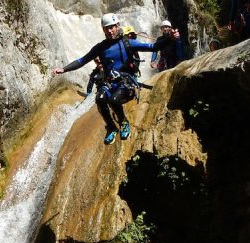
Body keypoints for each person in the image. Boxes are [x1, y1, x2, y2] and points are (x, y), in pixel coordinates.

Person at [52, 13, 180, 145]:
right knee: (100, 98)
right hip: (110, 83)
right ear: (103, 30)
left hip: (126, 84)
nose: (110, 30)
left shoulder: (128, 43)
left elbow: (153, 47)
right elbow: (82, 60)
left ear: (117, 26)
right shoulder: (100, 47)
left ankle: (123, 122)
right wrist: (64, 69)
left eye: (112, 27)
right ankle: (111, 127)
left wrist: (170, 38)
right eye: (106, 28)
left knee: (113, 100)